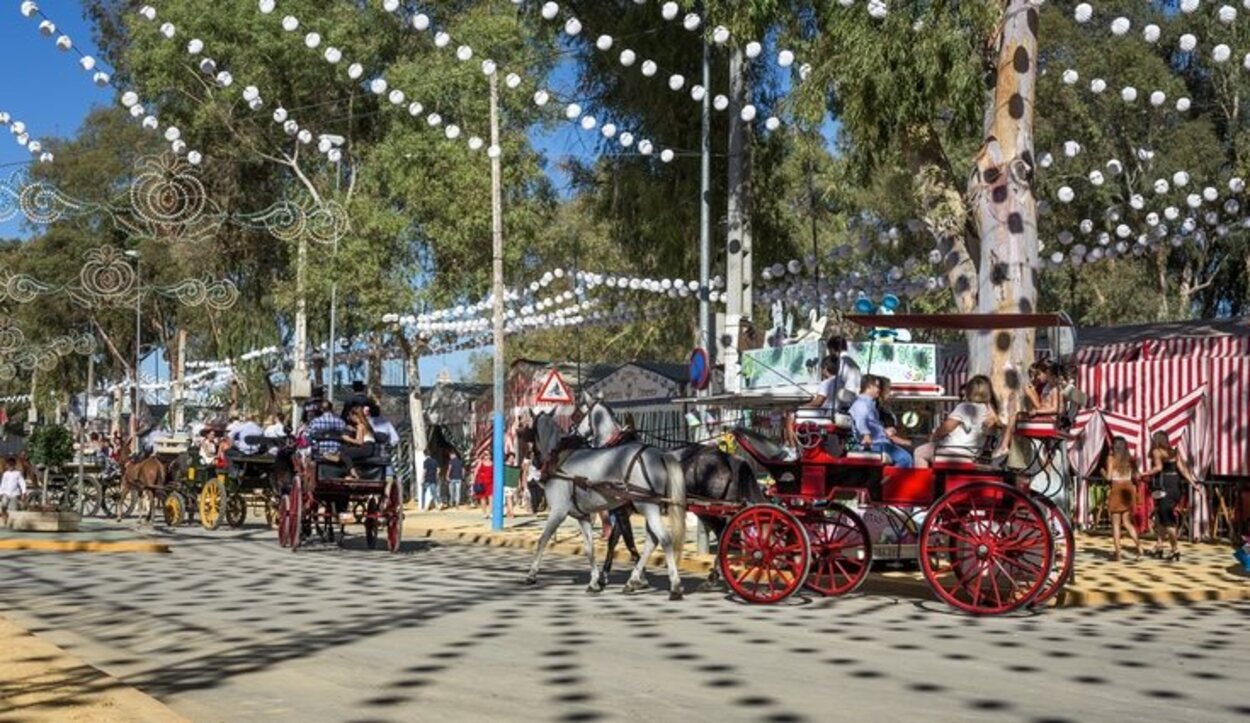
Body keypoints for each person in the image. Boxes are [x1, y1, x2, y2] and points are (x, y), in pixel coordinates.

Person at [914, 375, 1000, 468]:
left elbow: (946, 428)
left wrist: (934, 436)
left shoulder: (965, 407)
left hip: (954, 452)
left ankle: (925, 482)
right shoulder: (989, 412)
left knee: (919, 452)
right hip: (973, 454)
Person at [1147, 431, 1199, 561]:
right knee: (1161, 516)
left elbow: (1158, 468)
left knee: (1167, 520)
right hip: (1175, 486)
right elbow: (1183, 469)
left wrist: (1144, 473)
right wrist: (1193, 483)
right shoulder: (1174, 452)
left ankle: (1175, 549)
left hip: (1164, 486)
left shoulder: (1157, 451)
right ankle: (1159, 546)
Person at [849, 375, 913, 467]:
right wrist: (866, 435)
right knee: (906, 459)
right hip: (876, 443)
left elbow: (872, 425)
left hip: (880, 441)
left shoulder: (869, 404)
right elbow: (860, 419)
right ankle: (892, 480)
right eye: (877, 387)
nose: (879, 390)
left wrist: (885, 431)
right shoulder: (861, 404)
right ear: (869, 386)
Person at [1104, 436, 1144, 562]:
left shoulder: (1111, 458)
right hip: (1128, 488)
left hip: (1117, 488)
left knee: (1116, 524)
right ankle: (1139, 547)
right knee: (1127, 522)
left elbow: (1109, 478)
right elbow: (1136, 475)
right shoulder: (1129, 460)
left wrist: (1102, 472)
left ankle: (1118, 554)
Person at [339, 406, 377, 480]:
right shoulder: (366, 425)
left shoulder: (360, 426)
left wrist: (347, 438)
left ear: (355, 416)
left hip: (365, 448)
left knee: (344, 452)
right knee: (348, 452)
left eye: (351, 416)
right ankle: (352, 472)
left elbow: (359, 442)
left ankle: (353, 473)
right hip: (370, 447)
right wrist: (354, 431)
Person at [0, 456, 26, 523]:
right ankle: (4, 517)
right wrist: (1, 493)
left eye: (12, 464)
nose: (10, 465)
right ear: (7, 465)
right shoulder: (5, 474)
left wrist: (24, 493)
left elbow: (22, 483)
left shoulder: (18, 473)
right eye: (9, 464)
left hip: (14, 494)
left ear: (14, 464)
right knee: (4, 504)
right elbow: (3, 484)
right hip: (6, 493)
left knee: (13, 510)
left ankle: (11, 523)